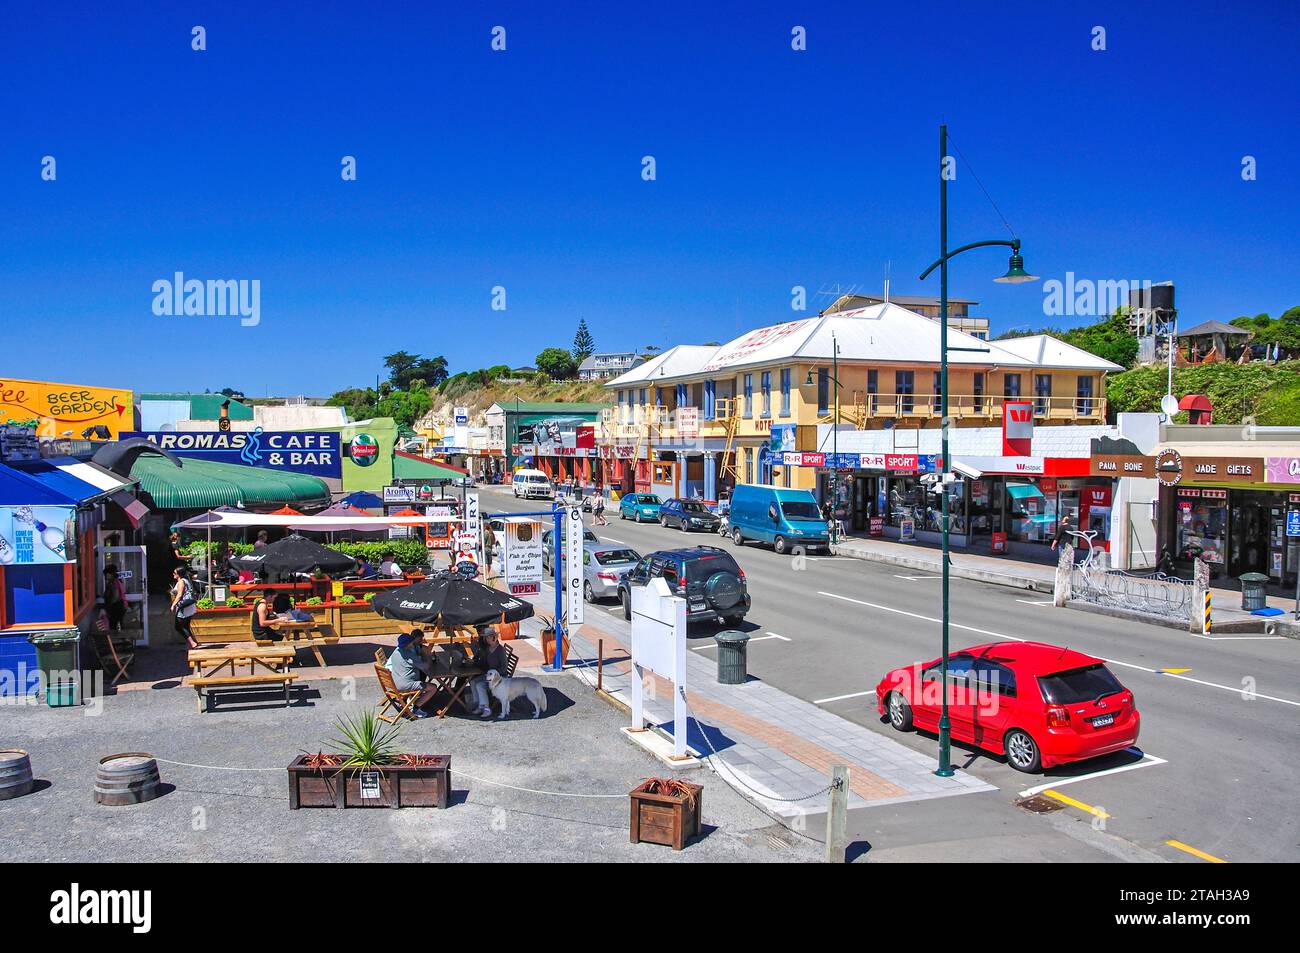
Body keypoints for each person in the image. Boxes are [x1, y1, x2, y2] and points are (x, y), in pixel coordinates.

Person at [386, 631, 437, 718]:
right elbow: (426, 666)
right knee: (433, 687)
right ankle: (416, 708)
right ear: (410, 643)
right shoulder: (409, 655)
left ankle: (411, 702)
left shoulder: (396, 652)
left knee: (422, 677)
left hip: (394, 683)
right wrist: (429, 658)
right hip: (406, 685)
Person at [467, 625, 509, 719]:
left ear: (493, 637)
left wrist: (493, 675)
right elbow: (484, 663)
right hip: (489, 675)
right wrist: (474, 662)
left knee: (480, 685)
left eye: (487, 637)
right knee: (473, 681)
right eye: (485, 638)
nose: (486, 639)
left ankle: (486, 708)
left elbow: (504, 668)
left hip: (499, 678)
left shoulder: (500, 650)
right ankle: (479, 705)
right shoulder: (488, 648)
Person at [170, 566, 199, 649]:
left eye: (174, 573)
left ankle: (192, 643)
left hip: (184, 606)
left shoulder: (181, 582)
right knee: (185, 625)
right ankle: (192, 644)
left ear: (179, 574)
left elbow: (179, 595)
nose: (173, 574)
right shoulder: (185, 580)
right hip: (189, 605)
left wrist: (173, 605)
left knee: (179, 626)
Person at [102, 566, 128, 631]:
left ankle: (119, 639)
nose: (105, 576)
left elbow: (115, 597)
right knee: (117, 625)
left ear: (111, 574)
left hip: (117, 607)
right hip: (120, 606)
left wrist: (108, 605)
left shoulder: (114, 583)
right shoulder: (116, 582)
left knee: (114, 626)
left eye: (106, 574)